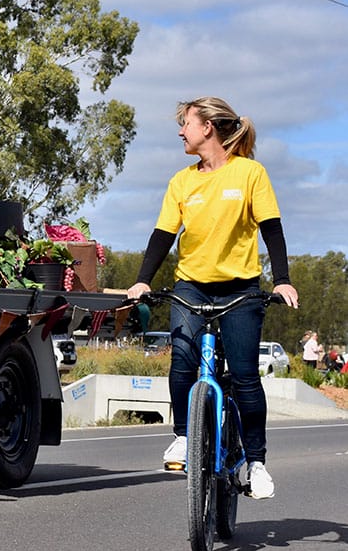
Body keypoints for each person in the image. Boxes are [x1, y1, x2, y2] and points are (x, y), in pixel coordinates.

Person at [126, 97, 299, 500]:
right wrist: (142, 281)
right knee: (182, 361)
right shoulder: (182, 181)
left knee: (244, 374)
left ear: (208, 128)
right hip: (192, 285)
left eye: (185, 123)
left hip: (240, 288)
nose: (181, 131)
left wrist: (283, 281)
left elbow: (272, 229)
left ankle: (255, 463)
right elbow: (163, 236)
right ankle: (185, 437)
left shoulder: (250, 174)